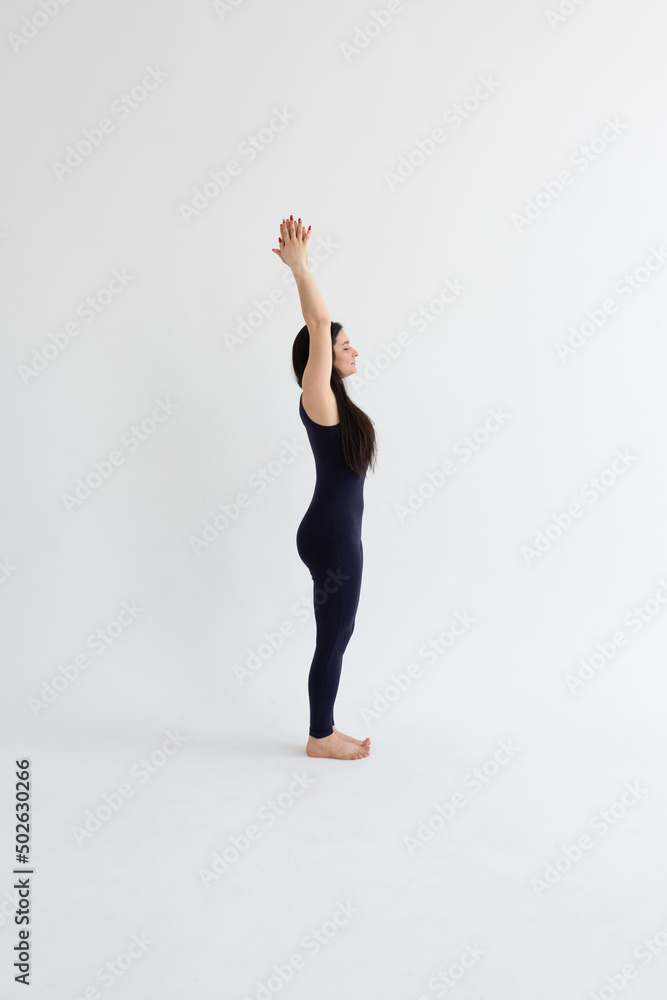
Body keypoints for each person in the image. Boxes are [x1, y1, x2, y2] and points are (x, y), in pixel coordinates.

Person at [272, 216, 377, 759]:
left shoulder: (338, 406)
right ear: (322, 360)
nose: (353, 350)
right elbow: (319, 322)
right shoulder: (319, 397)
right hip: (332, 536)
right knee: (334, 636)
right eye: (346, 346)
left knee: (338, 632)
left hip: (335, 531)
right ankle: (320, 736)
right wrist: (301, 269)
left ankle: (323, 729)